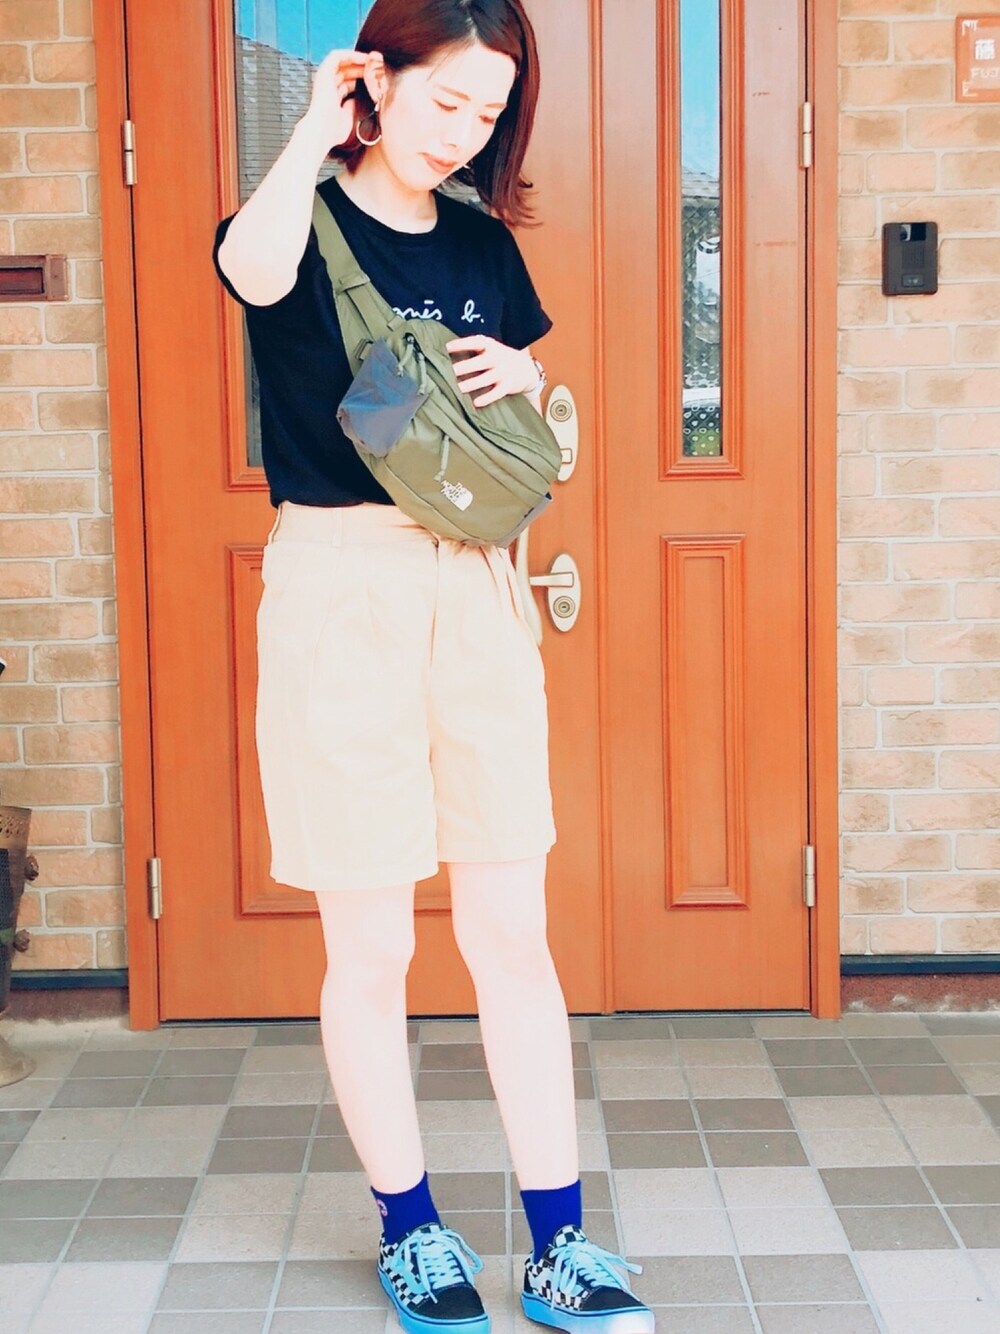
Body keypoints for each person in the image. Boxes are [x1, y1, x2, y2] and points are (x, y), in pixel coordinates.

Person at [213, 2, 654, 1330]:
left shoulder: (479, 245)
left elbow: (516, 437)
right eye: (446, 99)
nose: (465, 132)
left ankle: (560, 1244)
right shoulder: (298, 221)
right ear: (380, 79)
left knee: (511, 931)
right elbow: (246, 271)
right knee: (371, 945)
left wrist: (521, 376)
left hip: (474, 584)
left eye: (489, 112)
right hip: (339, 582)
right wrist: (311, 130)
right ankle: (410, 1228)